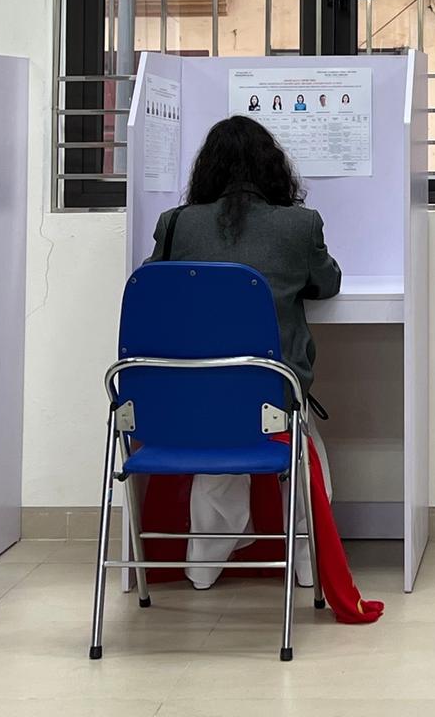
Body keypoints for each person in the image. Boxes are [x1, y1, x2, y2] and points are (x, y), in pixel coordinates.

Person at [146, 116, 344, 589]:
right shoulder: (299, 225)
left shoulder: (175, 226)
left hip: (193, 395)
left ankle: (202, 568)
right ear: (273, 169)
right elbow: (327, 283)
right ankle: (307, 565)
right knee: (301, 445)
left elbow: (154, 289)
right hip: (272, 396)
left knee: (218, 446)